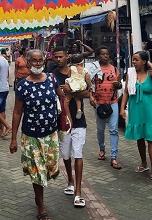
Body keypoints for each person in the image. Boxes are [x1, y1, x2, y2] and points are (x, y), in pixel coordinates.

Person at [10, 49, 63, 220]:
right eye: (34, 60)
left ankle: (38, 195)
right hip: (31, 136)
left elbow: (62, 98)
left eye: (40, 61)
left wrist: (68, 118)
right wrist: (13, 139)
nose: (38, 64)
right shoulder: (23, 85)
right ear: (27, 61)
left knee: (50, 168)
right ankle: (41, 206)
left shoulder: (52, 79)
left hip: (51, 134)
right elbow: (17, 112)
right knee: (37, 171)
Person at [120, 50, 152, 182]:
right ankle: (144, 163)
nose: (134, 62)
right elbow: (126, 92)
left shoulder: (150, 74)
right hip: (135, 106)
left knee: (151, 138)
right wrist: (122, 108)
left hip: (148, 107)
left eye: (136, 59)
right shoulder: (131, 74)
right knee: (139, 136)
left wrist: (148, 62)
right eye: (133, 59)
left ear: (144, 61)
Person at [52, 47, 87, 208]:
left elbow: (88, 92)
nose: (58, 59)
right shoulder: (51, 75)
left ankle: (78, 192)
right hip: (61, 121)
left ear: (67, 57)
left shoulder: (77, 71)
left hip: (79, 121)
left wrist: (70, 91)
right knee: (65, 154)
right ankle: (70, 181)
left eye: (61, 56)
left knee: (78, 154)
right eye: (56, 57)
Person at [89, 46, 122, 168]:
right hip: (99, 103)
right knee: (100, 129)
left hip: (112, 102)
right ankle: (102, 148)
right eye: (102, 54)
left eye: (107, 54)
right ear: (98, 56)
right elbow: (90, 85)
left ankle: (114, 157)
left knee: (113, 129)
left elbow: (119, 85)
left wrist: (118, 85)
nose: (105, 56)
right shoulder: (94, 69)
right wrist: (91, 97)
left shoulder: (114, 69)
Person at [64, 55, 91, 121]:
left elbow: (68, 75)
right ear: (82, 63)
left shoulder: (71, 68)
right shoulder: (84, 69)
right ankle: (79, 109)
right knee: (78, 97)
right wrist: (90, 86)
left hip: (73, 84)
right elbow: (88, 79)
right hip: (81, 85)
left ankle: (64, 109)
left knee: (67, 98)